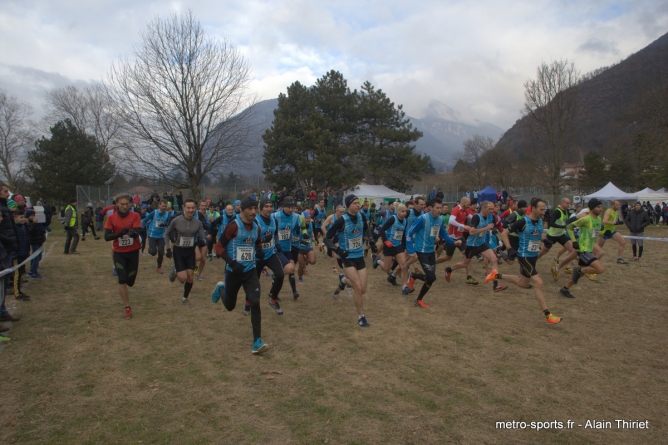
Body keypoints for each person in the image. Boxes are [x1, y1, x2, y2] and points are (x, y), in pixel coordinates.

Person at [486, 199, 561, 324]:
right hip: (524, 256)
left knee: (522, 283)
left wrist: (543, 240)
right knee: (538, 282)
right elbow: (504, 233)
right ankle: (548, 315)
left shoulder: (541, 221)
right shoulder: (522, 221)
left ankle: (496, 275)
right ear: (533, 208)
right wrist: (509, 249)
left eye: (545, 209)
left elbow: (534, 234)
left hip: (533, 256)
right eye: (541, 209)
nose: (544, 212)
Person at [211, 196, 269, 354]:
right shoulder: (233, 226)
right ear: (242, 209)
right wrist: (231, 263)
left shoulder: (256, 227)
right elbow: (219, 247)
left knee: (255, 301)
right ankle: (220, 288)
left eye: (255, 208)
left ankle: (257, 341)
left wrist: (259, 250)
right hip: (234, 272)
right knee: (230, 306)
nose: (253, 211)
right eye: (250, 209)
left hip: (250, 271)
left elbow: (256, 242)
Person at [324, 194, 377, 327]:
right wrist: (339, 251)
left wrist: (371, 241)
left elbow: (366, 229)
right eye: (355, 203)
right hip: (347, 258)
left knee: (363, 289)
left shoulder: (361, 216)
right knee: (358, 288)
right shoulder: (342, 220)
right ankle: (361, 317)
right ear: (348, 206)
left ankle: (343, 280)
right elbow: (326, 238)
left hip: (359, 256)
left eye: (358, 203)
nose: (358, 205)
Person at [406, 198, 460, 307]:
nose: (439, 210)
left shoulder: (439, 219)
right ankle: (413, 276)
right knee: (431, 277)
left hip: (431, 251)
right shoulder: (423, 218)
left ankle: (418, 298)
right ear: (430, 208)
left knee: (430, 278)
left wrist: (453, 243)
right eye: (437, 208)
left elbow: (444, 234)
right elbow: (409, 233)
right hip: (421, 251)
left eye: (440, 208)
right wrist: (410, 250)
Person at [445, 201, 506, 292]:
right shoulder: (476, 217)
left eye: (492, 209)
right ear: (483, 208)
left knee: (494, 260)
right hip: (472, 245)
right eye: (489, 209)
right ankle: (449, 269)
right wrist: (486, 228)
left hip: (482, 243)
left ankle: (496, 285)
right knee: (464, 264)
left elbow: (493, 225)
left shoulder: (490, 216)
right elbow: (471, 232)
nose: (491, 211)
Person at [248, 197, 291, 315]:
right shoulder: (255, 221)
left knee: (280, 274)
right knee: (254, 284)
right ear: (260, 209)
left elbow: (275, 234)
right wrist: (262, 240)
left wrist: (277, 244)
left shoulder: (273, 220)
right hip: (257, 256)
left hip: (270, 254)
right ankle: (247, 302)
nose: (269, 209)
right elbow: (250, 239)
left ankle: (273, 299)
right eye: (266, 206)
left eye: (270, 206)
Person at [104, 193, 143, 319]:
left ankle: (129, 284)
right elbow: (106, 236)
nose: (125, 206)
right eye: (122, 204)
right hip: (119, 253)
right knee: (122, 279)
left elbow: (138, 231)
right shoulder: (111, 218)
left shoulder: (135, 215)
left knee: (130, 281)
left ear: (131, 204)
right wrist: (120, 233)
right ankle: (127, 307)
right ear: (116, 205)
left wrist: (133, 233)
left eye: (127, 204)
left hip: (133, 252)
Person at [559, 198, 606, 298]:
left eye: (601, 207)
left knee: (579, 275)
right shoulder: (586, 219)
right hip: (583, 250)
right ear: (592, 208)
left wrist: (604, 232)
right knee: (600, 269)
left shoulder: (598, 219)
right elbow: (569, 227)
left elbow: (595, 233)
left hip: (589, 249)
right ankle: (579, 270)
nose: (601, 209)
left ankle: (565, 289)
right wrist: (574, 241)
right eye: (598, 207)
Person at [164, 199, 206, 306]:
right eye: (188, 208)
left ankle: (185, 298)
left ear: (195, 208)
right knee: (183, 278)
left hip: (190, 251)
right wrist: (168, 249)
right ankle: (175, 270)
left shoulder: (198, 223)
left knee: (190, 276)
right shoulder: (176, 220)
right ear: (184, 208)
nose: (190, 210)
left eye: (193, 208)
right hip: (179, 250)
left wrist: (203, 241)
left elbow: (202, 237)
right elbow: (166, 234)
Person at [374, 203, 409, 293]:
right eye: (402, 211)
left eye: (405, 211)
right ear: (398, 212)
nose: (404, 213)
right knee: (387, 269)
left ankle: (405, 287)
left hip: (398, 246)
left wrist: (404, 246)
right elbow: (382, 230)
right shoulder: (393, 219)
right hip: (389, 246)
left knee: (404, 266)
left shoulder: (405, 221)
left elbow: (403, 234)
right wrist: (386, 241)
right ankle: (378, 261)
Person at [142, 199, 171, 274]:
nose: (164, 207)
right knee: (153, 252)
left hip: (161, 236)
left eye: (165, 206)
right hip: (152, 235)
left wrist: (166, 225)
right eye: (162, 206)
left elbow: (170, 222)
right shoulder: (154, 212)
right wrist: (142, 228)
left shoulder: (167, 214)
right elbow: (145, 220)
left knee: (161, 252)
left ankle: (159, 267)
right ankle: (150, 250)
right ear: (159, 205)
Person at [26, 209, 46, 279]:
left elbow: (42, 230)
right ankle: (34, 272)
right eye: (31, 216)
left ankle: (32, 269)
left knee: (39, 256)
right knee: (36, 257)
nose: (33, 217)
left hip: (39, 241)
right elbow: (31, 231)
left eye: (34, 215)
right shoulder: (29, 223)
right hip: (34, 242)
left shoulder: (38, 223)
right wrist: (34, 224)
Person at [297, 211, 316, 283]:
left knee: (313, 261)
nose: (308, 220)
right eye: (306, 218)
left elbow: (312, 232)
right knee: (301, 265)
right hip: (300, 247)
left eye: (309, 218)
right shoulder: (298, 225)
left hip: (308, 246)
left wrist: (314, 237)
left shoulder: (311, 224)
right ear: (302, 219)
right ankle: (300, 278)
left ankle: (306, 258)